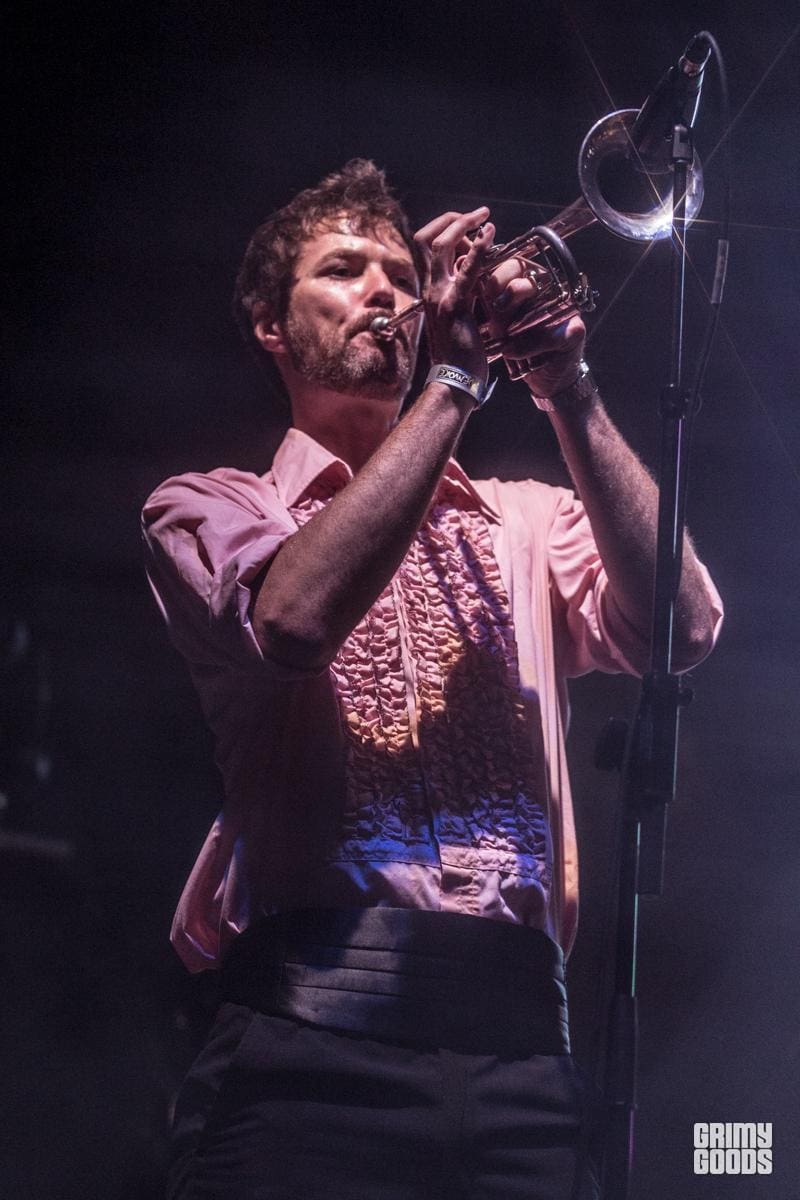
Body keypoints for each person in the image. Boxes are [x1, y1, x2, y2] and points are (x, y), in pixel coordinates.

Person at [142, 160, 722, 1199]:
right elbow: (293, 619)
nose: (384, 290)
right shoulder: (213, 505)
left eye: (401, 274)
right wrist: (454, 385)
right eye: (342, 270)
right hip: (306, 1042)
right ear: (271, 325)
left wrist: (566, 384)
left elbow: (682, 627)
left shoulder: (525, 517)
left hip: (523, 1050)